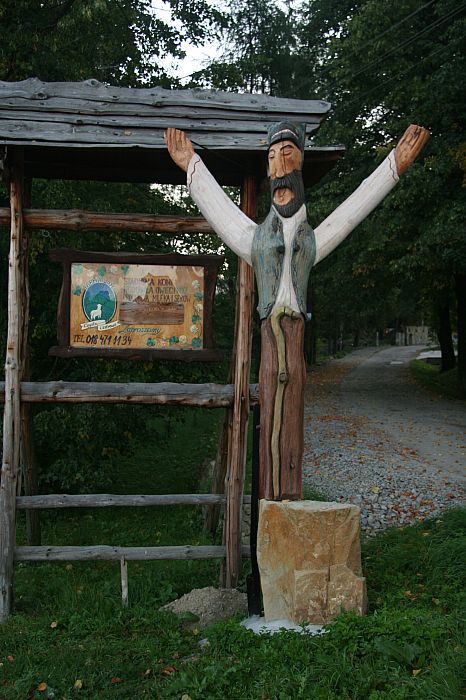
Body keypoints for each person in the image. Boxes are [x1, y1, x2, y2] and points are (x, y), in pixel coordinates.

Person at [165, 122, 429, 500]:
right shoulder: (254, 239)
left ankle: (288, 497)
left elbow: (354, 207)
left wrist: (393, 166)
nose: (279, 166)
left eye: (288, 154)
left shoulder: (313, 239)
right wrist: (191, 164)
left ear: (301, 162)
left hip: (296, 332)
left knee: (291, 421)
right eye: (272, 158)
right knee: (271, 411)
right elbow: (219, 208)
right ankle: (273, 503)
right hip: (269, 336)